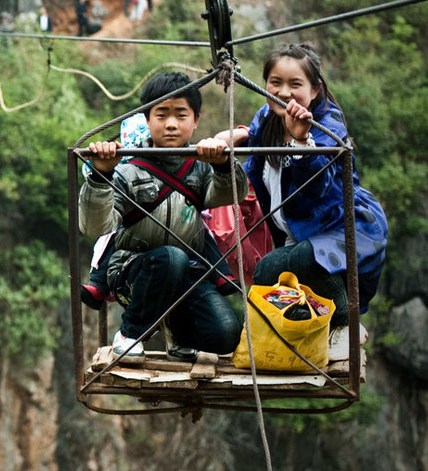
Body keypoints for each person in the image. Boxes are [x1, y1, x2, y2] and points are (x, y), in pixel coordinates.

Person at [79, 71, 248, 360]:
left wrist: (222, 164)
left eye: (181, 115)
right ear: (146, 120)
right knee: (171, 258)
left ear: (196, 120)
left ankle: (178, 334)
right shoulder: (127, 171)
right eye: (161, 114)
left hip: (187, 276)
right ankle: (130, 333)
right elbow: (96, 225)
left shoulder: (201, 167)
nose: (171, 124)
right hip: (133, 272)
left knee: (226, 335)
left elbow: (229, 195)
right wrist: (101, 174)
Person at [215, 43, 387, 326]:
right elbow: (256, 160)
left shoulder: (327, 127)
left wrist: (302, 142)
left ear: (315, 90)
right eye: (275, 83)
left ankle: (346, 322)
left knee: (296, 262)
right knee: (269, 273)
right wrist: (238, 135)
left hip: (343, 226)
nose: (284, 93)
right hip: (297, 232)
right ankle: (313, 326)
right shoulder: (267, 118)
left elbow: (315, 188)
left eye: (295, 84)